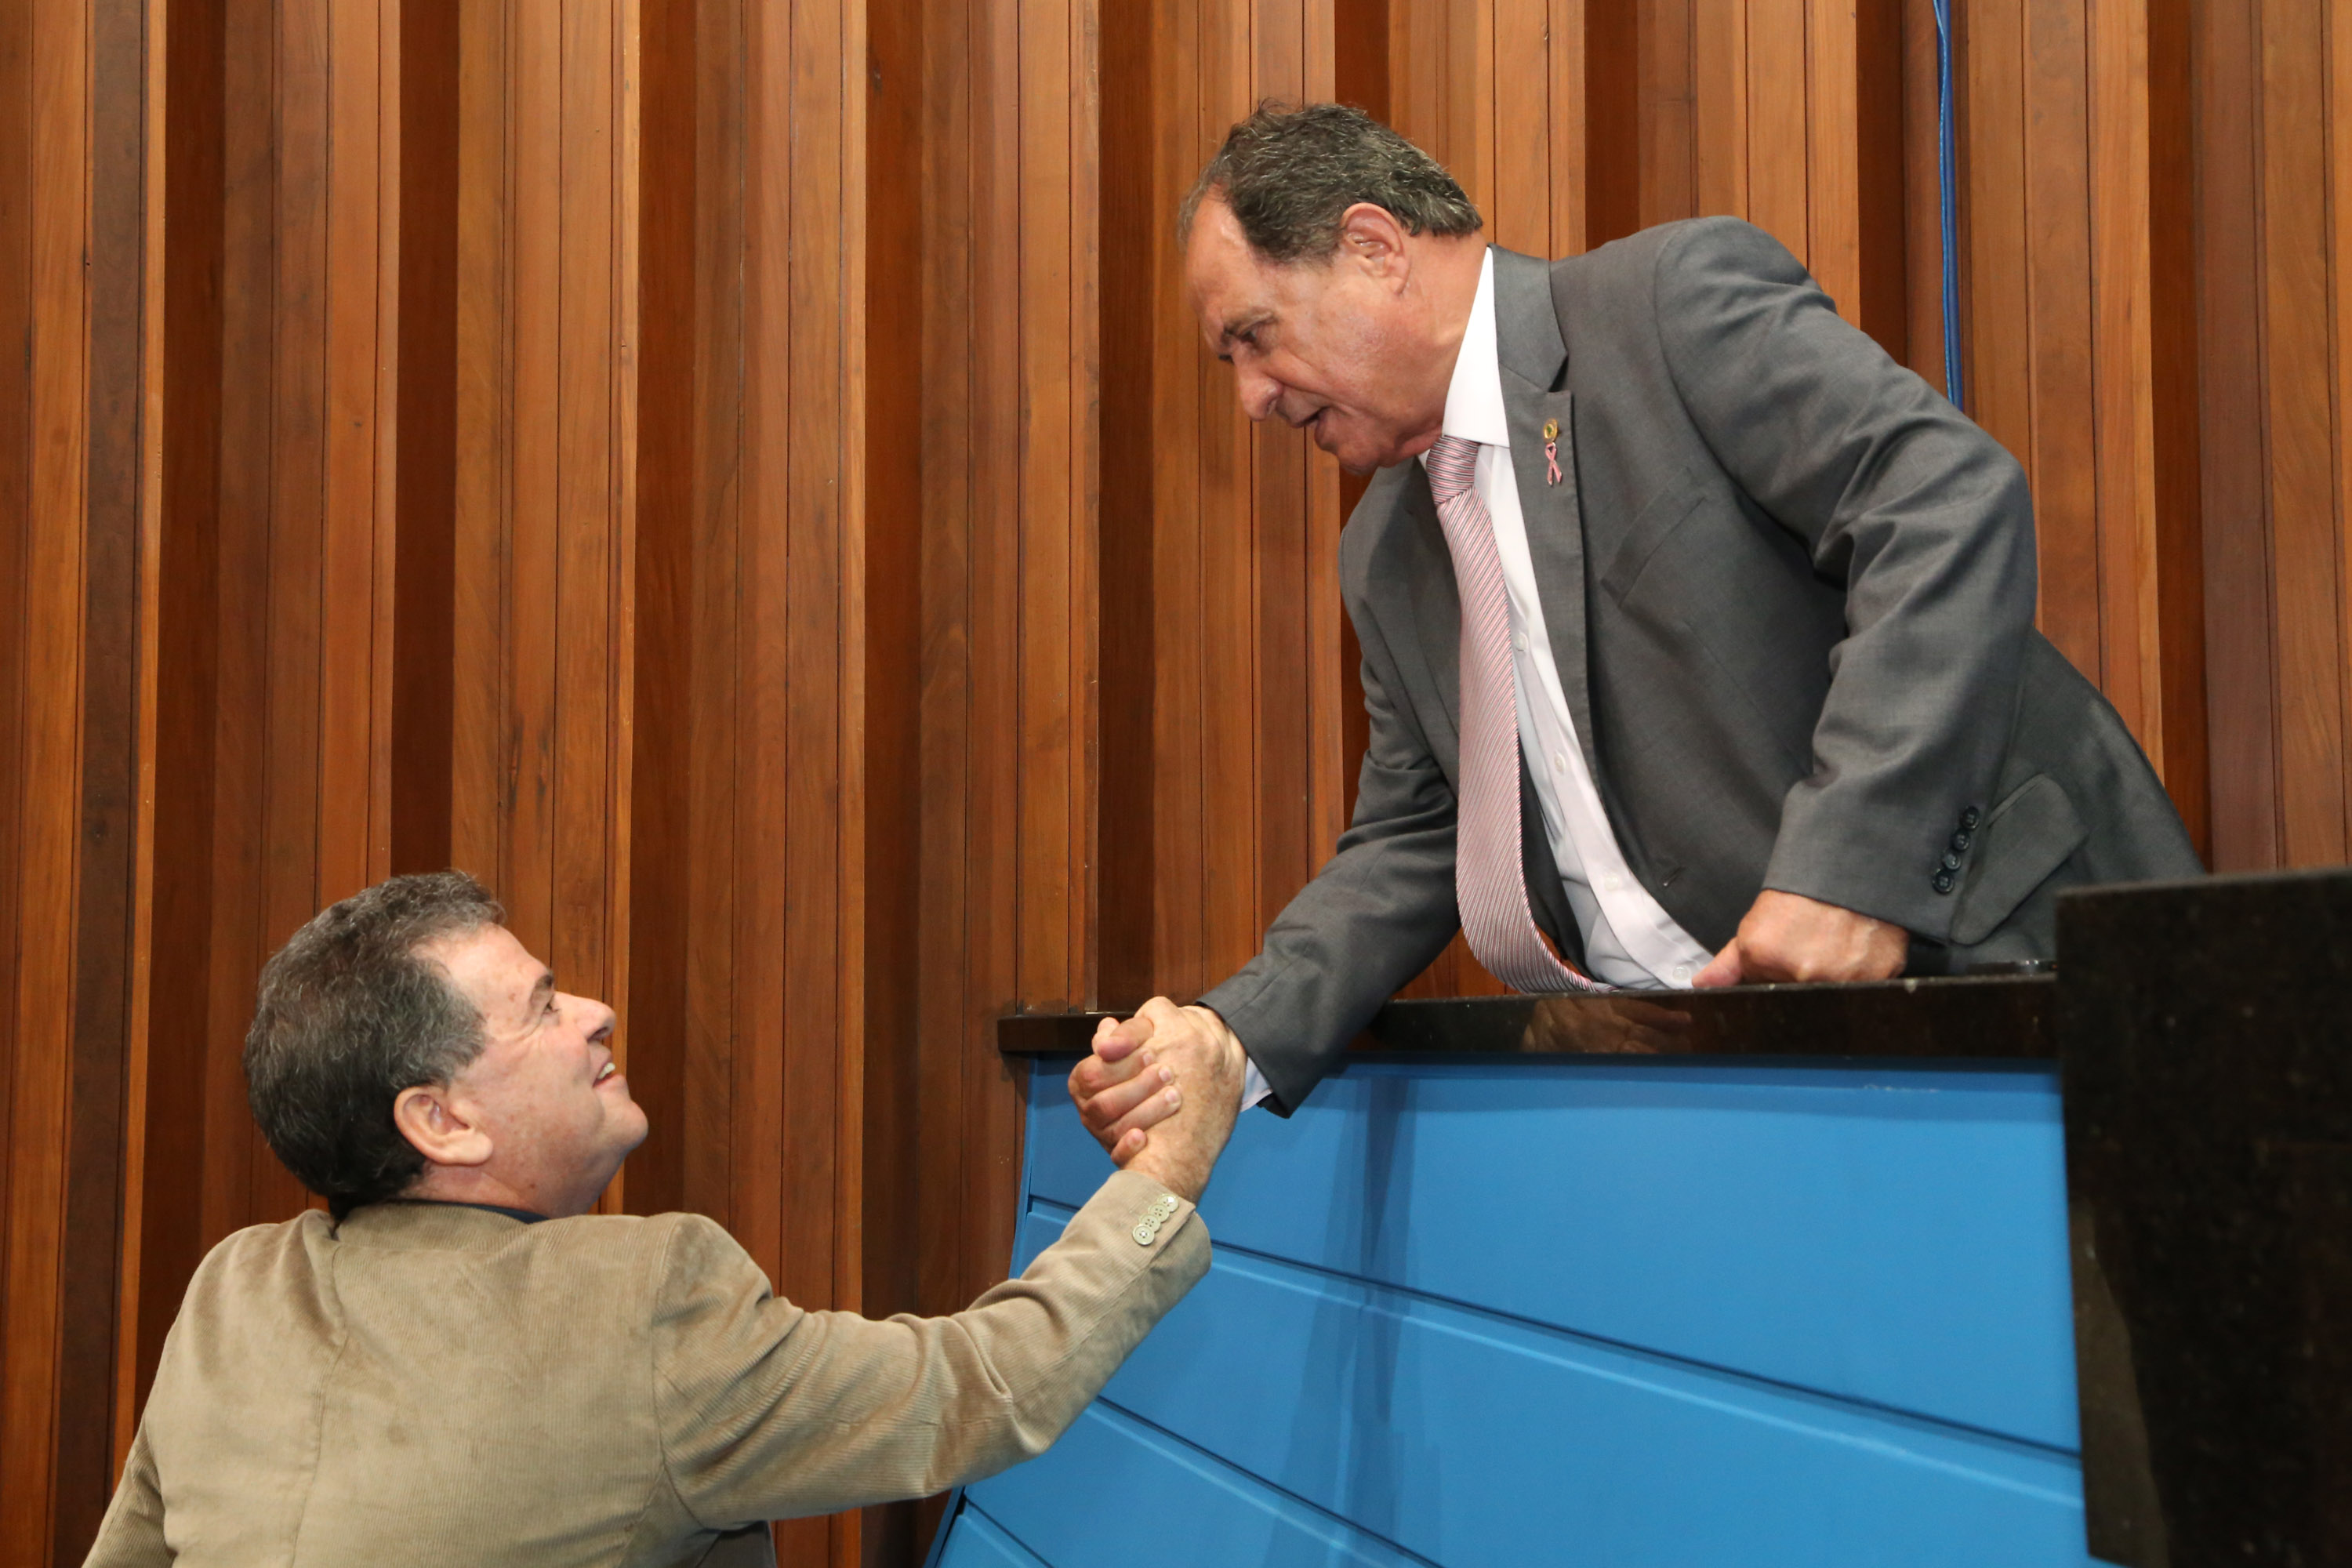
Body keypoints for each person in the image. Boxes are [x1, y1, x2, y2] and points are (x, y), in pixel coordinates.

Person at [1071, 102, 2198, 1147]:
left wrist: (1855, 873)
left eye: (1253, 336)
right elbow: (1418, 839)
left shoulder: (1666, 305)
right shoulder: (1384, 553)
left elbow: (1943, 502)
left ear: (1374, 247)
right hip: (1709, 1090)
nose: (1252, 399)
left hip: (2011, 980)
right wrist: (1230, 1038)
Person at [86, 872, 1240, 1568]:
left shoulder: (234, 1288)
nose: (596, 1012)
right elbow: (987, 1386)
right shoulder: (643, 1301)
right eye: (543, 1008)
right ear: (440, 1121)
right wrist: (1171, 1169)